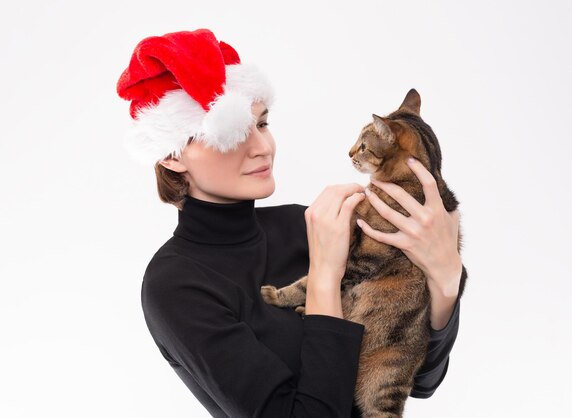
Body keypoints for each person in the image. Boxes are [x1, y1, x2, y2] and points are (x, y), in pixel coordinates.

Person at [117, 28, 465, 418]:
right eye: (231, 134)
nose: (263, 147)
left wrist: (446, 277)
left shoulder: (305, 222)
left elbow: (420, 382)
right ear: (172, 156)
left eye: (262, 124)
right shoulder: (176, 285)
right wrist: (324, 278)